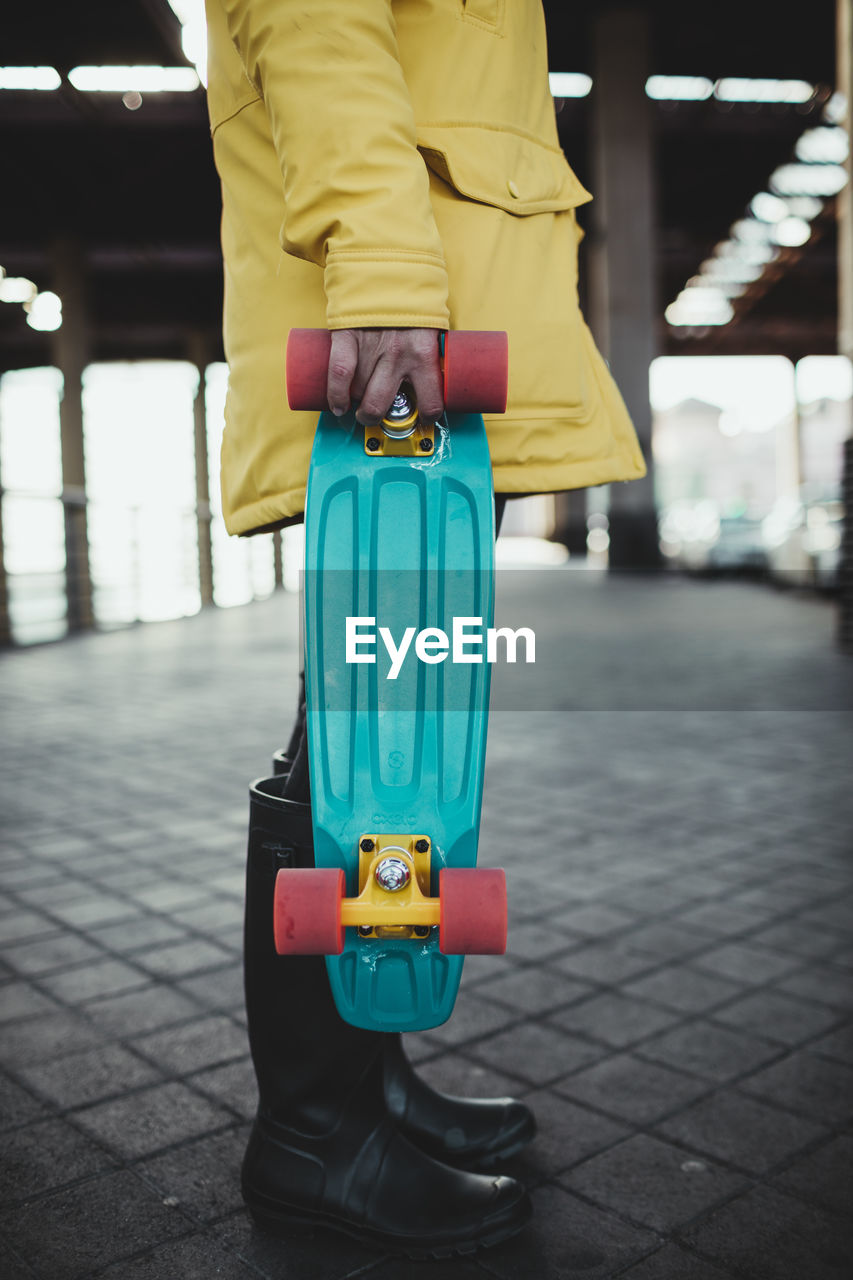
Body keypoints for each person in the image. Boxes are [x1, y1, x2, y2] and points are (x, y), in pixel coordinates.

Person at [204, 0, 646, 1258]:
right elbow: (313, 23)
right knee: (362, 749)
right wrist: (387, 278)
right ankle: (311, 1132)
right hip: (407, 333)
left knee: (385, 748)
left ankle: (362, 1079)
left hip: (439, 322)